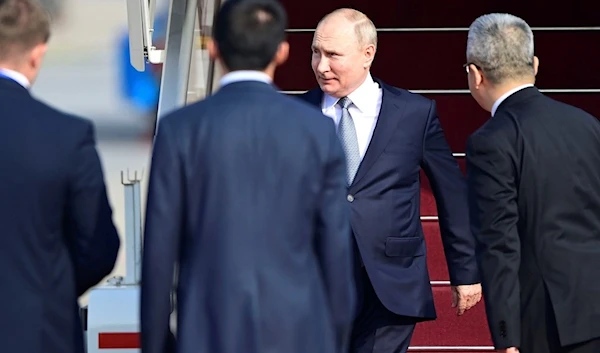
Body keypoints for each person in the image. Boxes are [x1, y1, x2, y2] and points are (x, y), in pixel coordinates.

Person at [140, 1, 356, 353]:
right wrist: (336, 336)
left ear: (213, 48)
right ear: (282, 51)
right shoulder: (316, 130)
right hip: (298, 332)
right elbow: (335, 248)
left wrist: (154, 342)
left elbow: (159, 252)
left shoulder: (179, 130)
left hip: (208, 331)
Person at [299, 8, 482, 353]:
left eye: (333, 55)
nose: (321, 66)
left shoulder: (414, 113)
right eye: (315, 52)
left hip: (391, 282)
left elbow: (451, 194)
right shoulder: (295, 114)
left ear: (368, 54)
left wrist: (465, 271)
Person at [465, 13, 600, 353]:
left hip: (546, 322)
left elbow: (499, 243)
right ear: (535, 64)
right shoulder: (587, 124)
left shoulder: (491, 141)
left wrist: (507, 336)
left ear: (475, 74)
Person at [0, 0, 121, 352]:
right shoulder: (66, 135)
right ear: (38, 53)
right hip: (38, 332)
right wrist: (50, 286)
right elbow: (98, 247)